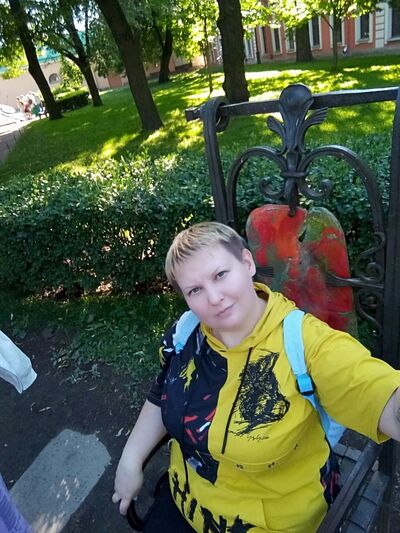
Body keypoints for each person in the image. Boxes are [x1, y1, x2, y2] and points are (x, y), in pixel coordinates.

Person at [112, 221, 400, 532]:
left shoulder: (306, 345)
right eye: (195, 290)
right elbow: (163, 391)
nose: (214, 297)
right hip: (185, 503)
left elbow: (379, 394)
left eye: (220, 275)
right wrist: (131, 457)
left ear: (247, 263)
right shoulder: (188, 332)